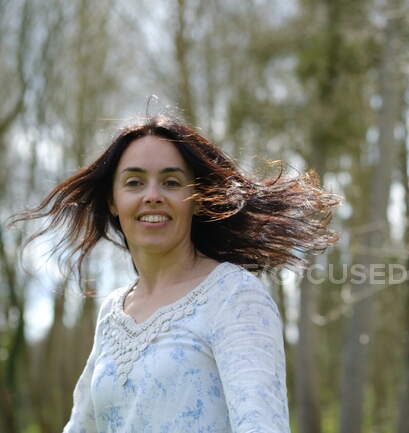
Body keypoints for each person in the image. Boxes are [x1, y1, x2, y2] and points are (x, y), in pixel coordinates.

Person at [11, 115, 339, 432]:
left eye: (171, 182)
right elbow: (82, 426)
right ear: (113, 200)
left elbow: (261, 426)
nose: (152, 196)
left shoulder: (233, 295)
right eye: (134, 182)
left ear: (196, 201)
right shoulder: (112, 312)